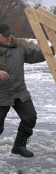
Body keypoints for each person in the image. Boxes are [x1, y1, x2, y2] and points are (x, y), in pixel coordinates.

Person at [0, 23, 49, 157]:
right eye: (5, 36)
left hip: (19, 92)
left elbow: (34, 56)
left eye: (9, 35)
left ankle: (19, 146)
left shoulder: (19, 48)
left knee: (30, 118)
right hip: (1, 94)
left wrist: (50, 51)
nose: (8, 38)